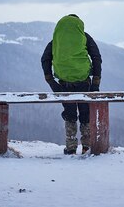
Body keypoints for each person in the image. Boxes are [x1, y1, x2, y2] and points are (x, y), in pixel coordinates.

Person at [41, 14, 102, 155]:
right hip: (84, 82)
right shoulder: (84, 37)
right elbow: (96, 57)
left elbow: (45, 59)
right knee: (85, 112)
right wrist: (96, 82)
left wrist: (51, 82)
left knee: (70, 114)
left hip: (64, 84)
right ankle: (87, 146)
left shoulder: (56, 41)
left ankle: (71, 147)